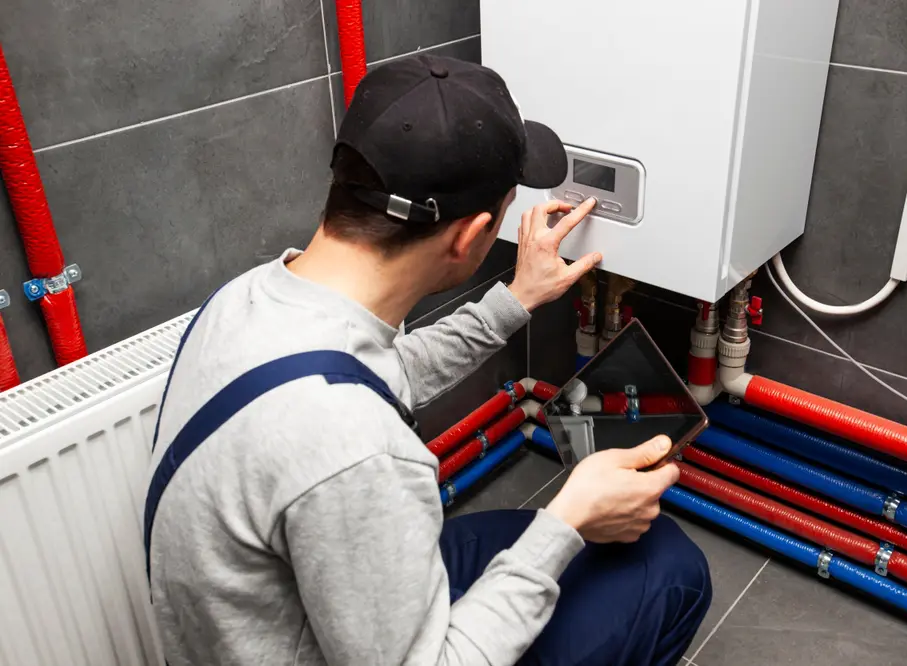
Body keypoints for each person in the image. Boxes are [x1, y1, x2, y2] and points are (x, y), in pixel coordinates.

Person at [145, 54, 711, 666]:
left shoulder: (249, 300)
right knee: (674, 572)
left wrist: (515, 299)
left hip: (292, 614)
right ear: (470, 237)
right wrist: (567, 519)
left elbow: (377, 375)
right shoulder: (355, 450)